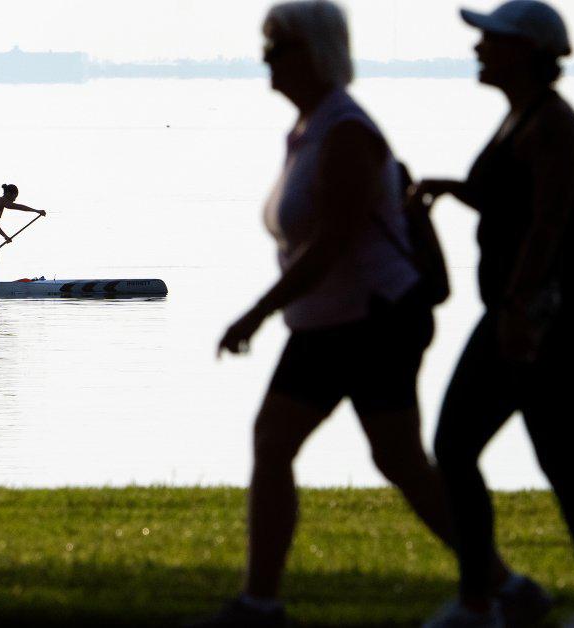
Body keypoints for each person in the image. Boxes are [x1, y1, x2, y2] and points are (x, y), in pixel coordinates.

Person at [193, 2, 531, 626]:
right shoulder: (310, 128)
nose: (266, 59)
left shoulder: (345, 131)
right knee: (358, 454)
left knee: (323, 448)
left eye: (278, 47)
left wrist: (255, 315)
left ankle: (261, 604)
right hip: (332, 320)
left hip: (373, 320)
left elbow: (334, 243)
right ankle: (503, 586)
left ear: (314, 54)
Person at [412, 2, 574, 627]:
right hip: (523, 307)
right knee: (460, 447)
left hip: (550, 312)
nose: (478, 49)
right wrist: (454, 190)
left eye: (491, 41)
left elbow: (548, 226)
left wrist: (516, 310)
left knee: (550, 460)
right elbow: (512, 200)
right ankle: (486, 600)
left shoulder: (555, 126)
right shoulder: (523, 118)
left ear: (526, 52)